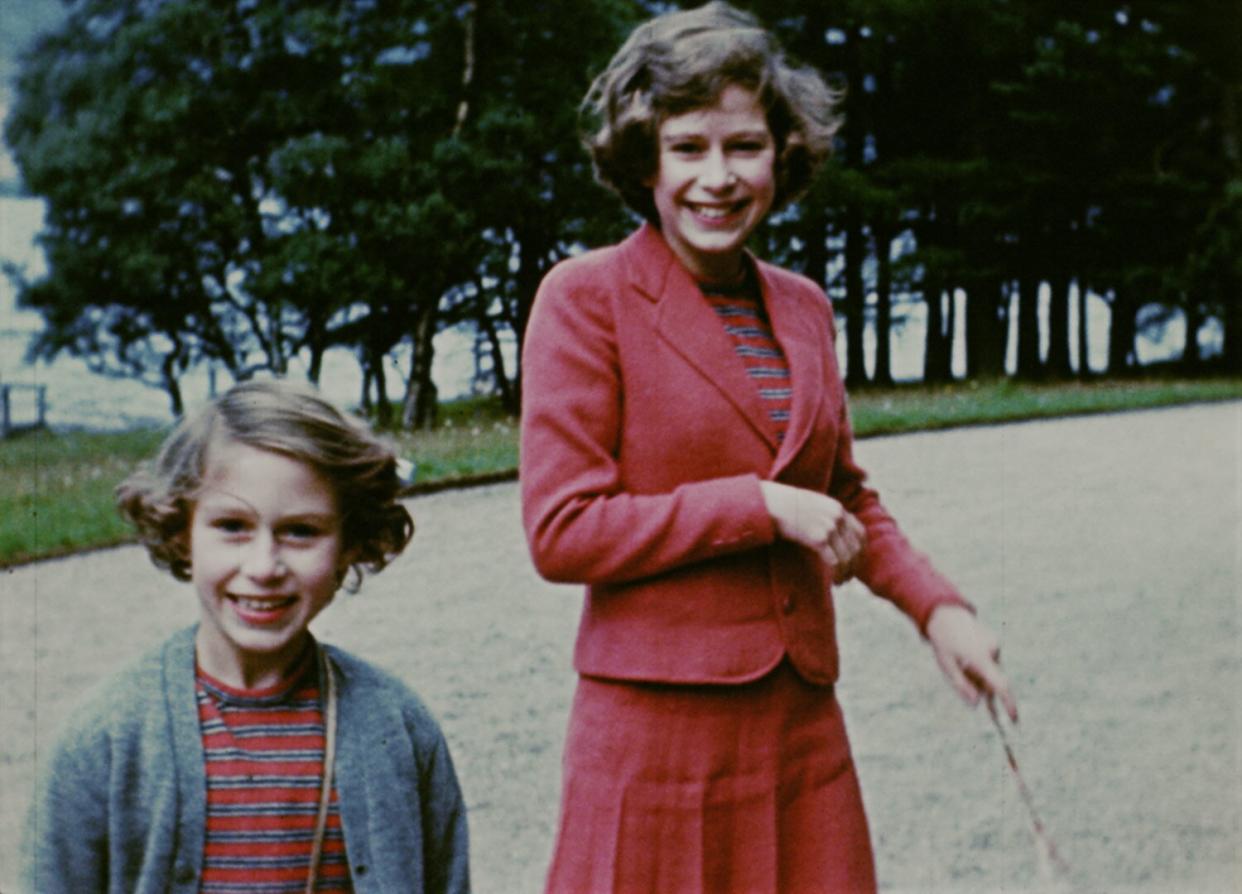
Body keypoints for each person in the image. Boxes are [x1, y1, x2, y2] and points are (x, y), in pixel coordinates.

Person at [519, 3, 1017, 892]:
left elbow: (847, 496)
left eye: (744, 146)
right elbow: (564, 530)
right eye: (688, 147)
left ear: (781, 158)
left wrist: (939, 611)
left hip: (797, 726)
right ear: (645, 159)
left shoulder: (803, 307)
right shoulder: (584, 299)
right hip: (656, 735)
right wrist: (757, 507)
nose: (718, 176)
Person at [21, 379, 470, 894]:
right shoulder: (106, 740)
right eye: (232, 525)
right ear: (181, 532)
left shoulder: (397, 728)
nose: (264, 566)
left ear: (350, 543)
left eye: (301, 531)